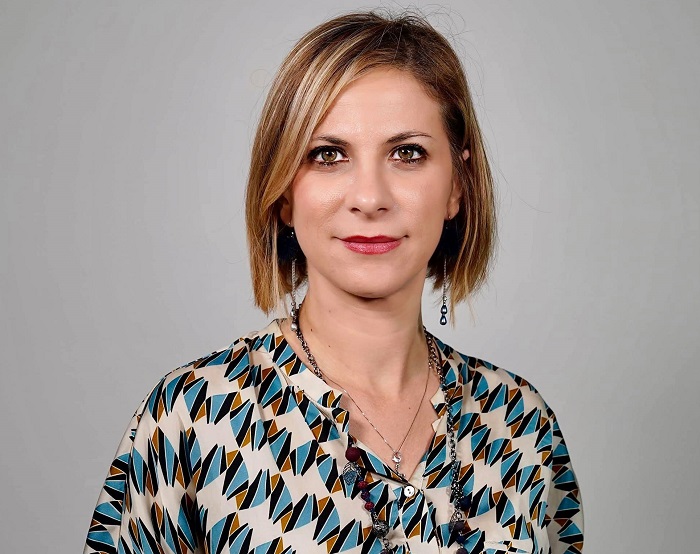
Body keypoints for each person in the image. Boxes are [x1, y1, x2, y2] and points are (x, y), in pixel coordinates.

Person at [84, 11, 584, 554]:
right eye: (328, 155)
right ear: (283, 193)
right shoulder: (194, 420)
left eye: (407, 153)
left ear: (457, 187)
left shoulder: (522, 425)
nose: (369, 198)